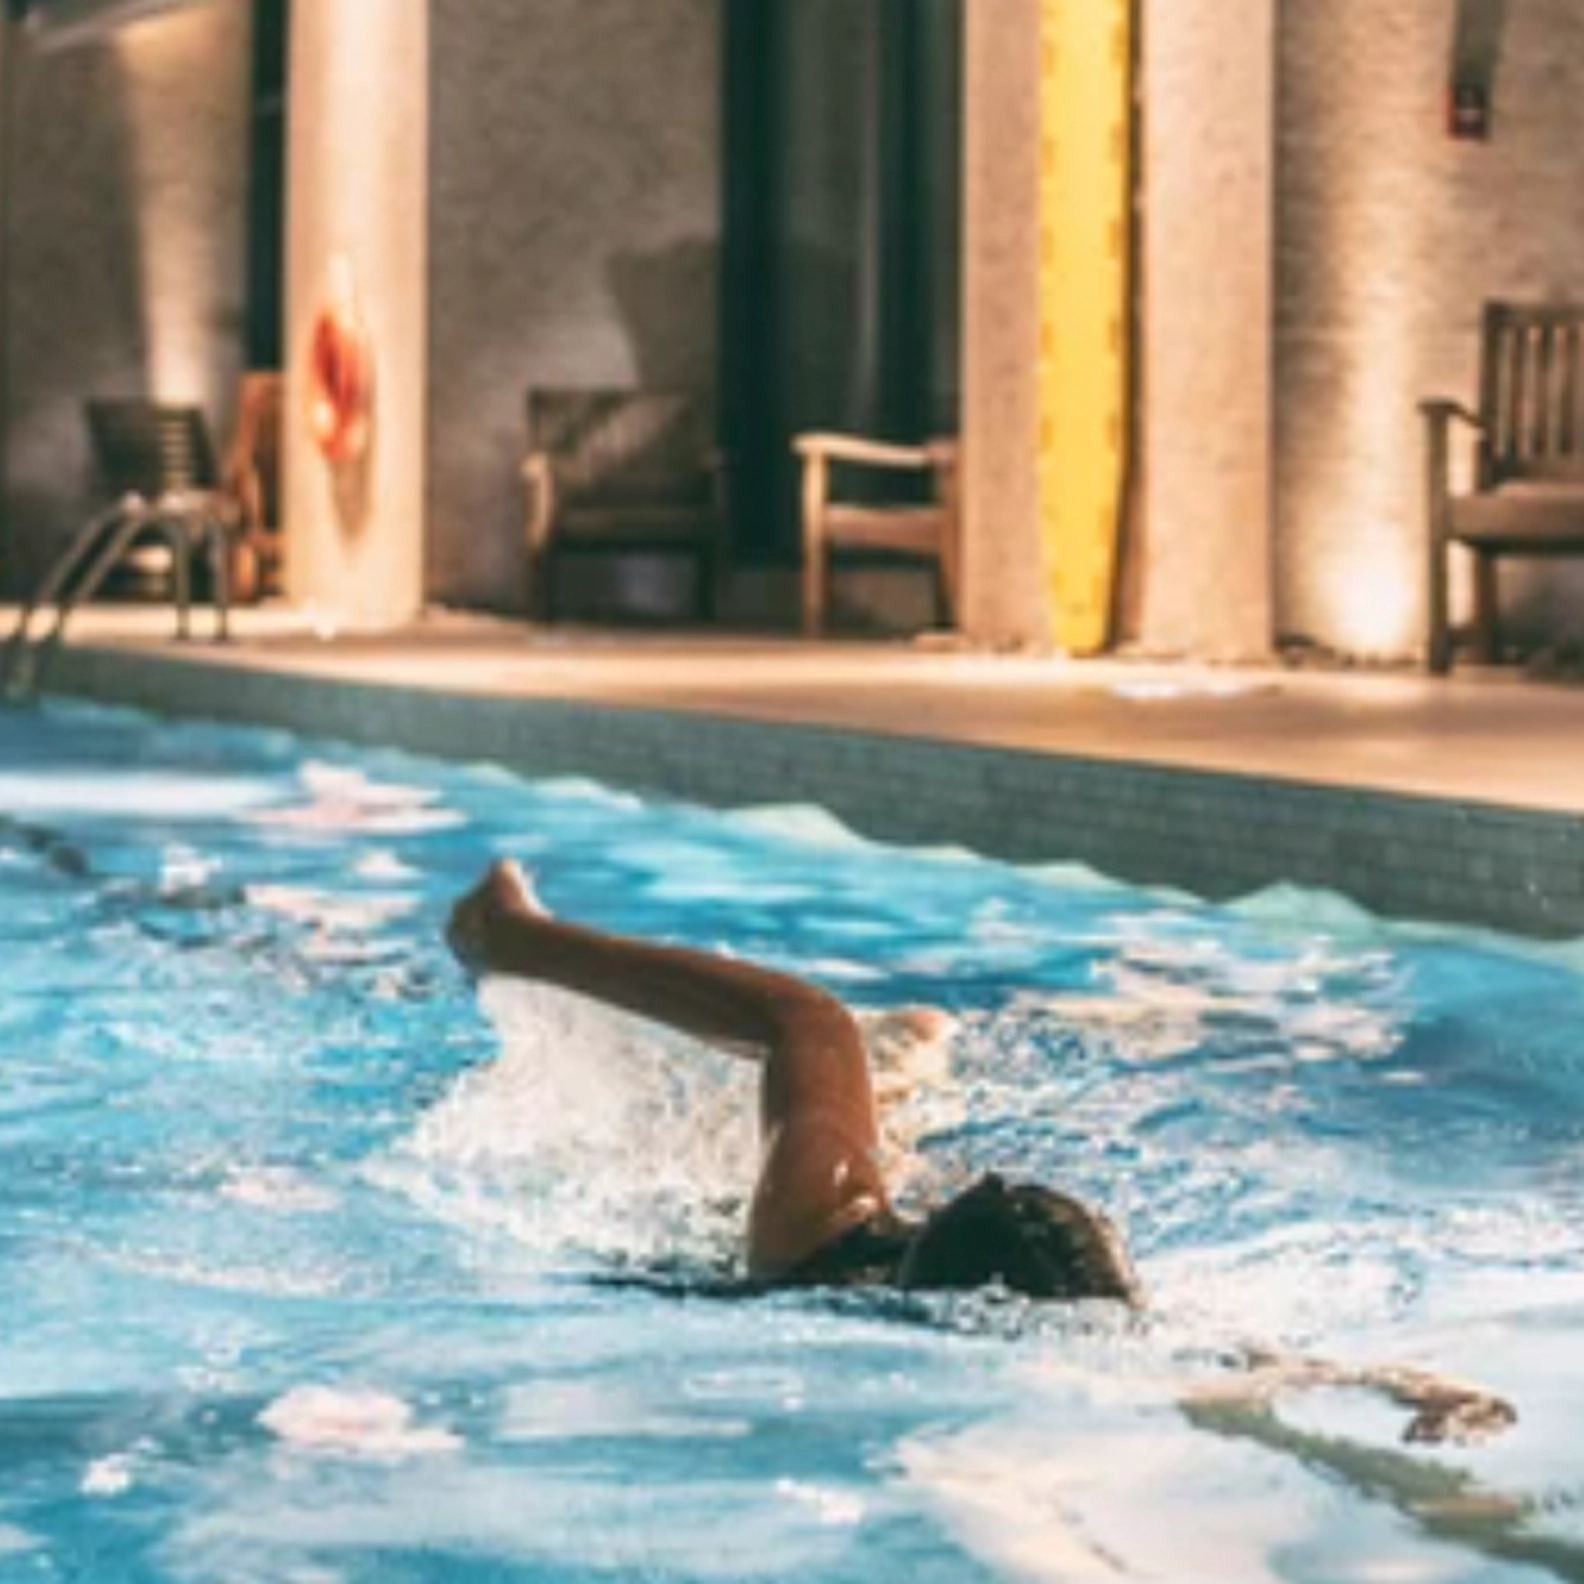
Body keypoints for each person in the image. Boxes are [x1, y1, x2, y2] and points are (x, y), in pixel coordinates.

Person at [447, 860, 1515, 1449]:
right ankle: (902, 1074)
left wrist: (516, 948)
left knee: (838, 1042)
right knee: (884, 1064)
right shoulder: (1069, 1318)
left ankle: (504, 932)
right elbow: (1231, 1364)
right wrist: (1405, 1385)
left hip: (802, 1253)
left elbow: (797, 1015)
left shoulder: (815, 1228)